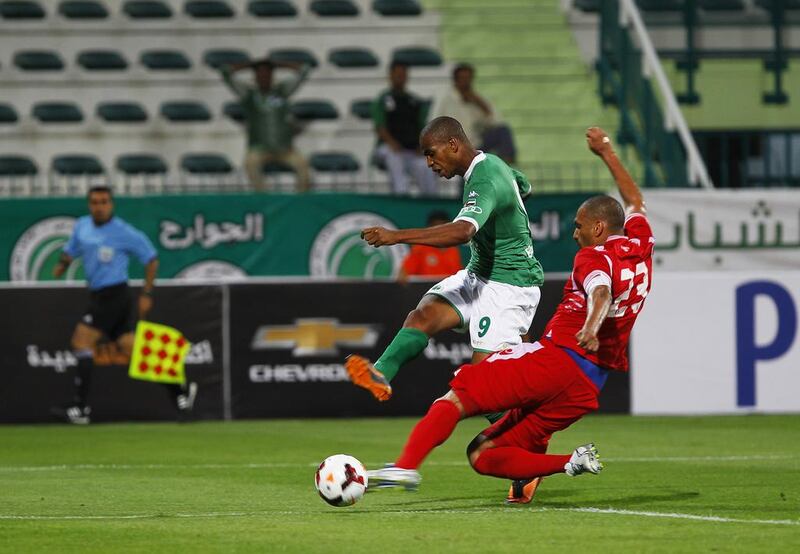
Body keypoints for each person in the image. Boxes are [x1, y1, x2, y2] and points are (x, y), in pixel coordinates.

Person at [366, 127, 653, 505]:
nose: (575, 235)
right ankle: (567, 464)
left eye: (579, 227)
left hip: (555, 355)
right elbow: (634, 200)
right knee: (482, 454)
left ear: (598, 228)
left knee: (462, 391)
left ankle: (405, 466)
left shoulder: (593, 257)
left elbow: (600, 290)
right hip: (587, 385)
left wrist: (590, 326)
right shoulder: (641, 242)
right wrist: (606, 152)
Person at [346, 116, 543, 410]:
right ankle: (381, 373)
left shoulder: (486, 177)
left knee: (486, 392)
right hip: (481, 275)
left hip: (510, 285)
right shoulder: (489, 166)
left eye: (431, 153)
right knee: (423, 315)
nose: (428, 163)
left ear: (453, 145)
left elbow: (463, 231)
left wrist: (396, 236)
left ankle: (535, 452)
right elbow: (523, 185)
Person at [52, 186, 197, 424]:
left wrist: (147, 293)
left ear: (111, 204)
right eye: (95, 202)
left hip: (114, 293)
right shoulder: (82, 226)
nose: (99, 207)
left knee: (81, 341)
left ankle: (80, 409)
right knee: (130, 348)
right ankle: (180, 389)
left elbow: (151, 258)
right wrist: (62, 264)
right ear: (89, 205)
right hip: (98, 294)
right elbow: (71, 250)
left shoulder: (123, 232)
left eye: (104, 202)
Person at [220, 58, 311, 192]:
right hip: (259, 148)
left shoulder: (282, 91)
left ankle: (300, 201)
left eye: (268, 74)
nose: (264, 77)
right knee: (250, 164)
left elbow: (304, 70)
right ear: (255, 77)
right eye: (260, 74)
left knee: (303, 167)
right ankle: (265, 199)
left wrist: (280, 64)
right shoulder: (248, 95)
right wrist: (250, 65)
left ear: (272, 76)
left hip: (285, 149)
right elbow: (225, 72)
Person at [429, 63, 517, 164]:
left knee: (503, 131)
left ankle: (506, 166)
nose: (466, 82)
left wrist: (480, 104)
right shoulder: (444, 98)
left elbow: (495, 122)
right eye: (463, 78)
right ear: (455, 80)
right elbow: (433, 123)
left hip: (475, 144)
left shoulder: (475, 99)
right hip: (453, 146)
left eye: (468, 78)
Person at [373, 61, 438, 195]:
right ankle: (400, 194)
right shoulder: (383, 99)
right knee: (394, 157)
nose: (400, 78)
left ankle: (431, 200)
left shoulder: (413, 101)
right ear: (390, 76)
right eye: (397, 75)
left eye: (403, 75)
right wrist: (392, 143)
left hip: (411, 150)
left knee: (425, 165)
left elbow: (422, 128)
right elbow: (380, 127)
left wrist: (420, 147)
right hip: (388, 148)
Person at [397, 210, 463, 285]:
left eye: (443, 227)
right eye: (436, 227)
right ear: (430, 229)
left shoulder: (453, 250)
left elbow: (458, 277)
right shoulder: (421, 248)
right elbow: (403, 274)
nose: (440, 231)